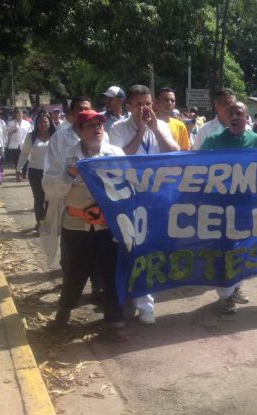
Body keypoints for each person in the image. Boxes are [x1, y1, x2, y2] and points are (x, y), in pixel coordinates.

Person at [42, 110, 126, 341]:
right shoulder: (67, 157)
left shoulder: (115, 154)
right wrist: (70, 174)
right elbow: (49, 188)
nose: (97, 129)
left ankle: (114, 323)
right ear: (79, 131)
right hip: (76, 227)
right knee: (75, 274)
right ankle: (63, 314)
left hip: (108, 228)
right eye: (90, 126)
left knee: (112, 274)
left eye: (100, 124)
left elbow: (128, 186)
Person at [109, 84, 179, 324]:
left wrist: (154, 130)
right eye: (139, 104)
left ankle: (145, 303)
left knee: (150, 250)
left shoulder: (160, 125)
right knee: (129, 249)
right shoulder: (118, 129)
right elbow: (120, 158)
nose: (144, 109)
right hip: (128, 199)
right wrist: (139, 131)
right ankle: (126, 298)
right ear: (129, 106)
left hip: (156, 198)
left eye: (148, 104)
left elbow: (173, 151)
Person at [200, 101, 257, 314]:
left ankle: (237, 287)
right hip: (220, 209)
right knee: (223, 250)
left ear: (247, 117)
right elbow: (198, 168)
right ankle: (226, 296)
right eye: (230, 113)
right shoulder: (213, 141)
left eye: (239, 112)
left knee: (242, 249)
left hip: (247, 208)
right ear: (225, 117)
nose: (234, 116)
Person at [17, 112, 56, 231]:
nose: (43, 124)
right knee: (39, 199)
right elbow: (24, 153)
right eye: (40, 122)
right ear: (36, 123)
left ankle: (49, 222)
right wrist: (19, 169)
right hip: (35, 172)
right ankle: (40, 224)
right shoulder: (31, 137)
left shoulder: (56, 136)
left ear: (50, 123)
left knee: (51, 199)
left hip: (52, 173)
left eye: (45, 122)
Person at [6, 108, 33, 179]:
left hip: (25, 143)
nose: (19, 115)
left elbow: (30, 133)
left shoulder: (27, 123)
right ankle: (18, 173)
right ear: (15, 115)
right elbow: (7, 133)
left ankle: (24, 173)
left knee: (26, 159)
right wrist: (12, 131)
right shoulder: (11, 123)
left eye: (21, 114)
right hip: (15, 145)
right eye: (18, 114)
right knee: (17, 160)